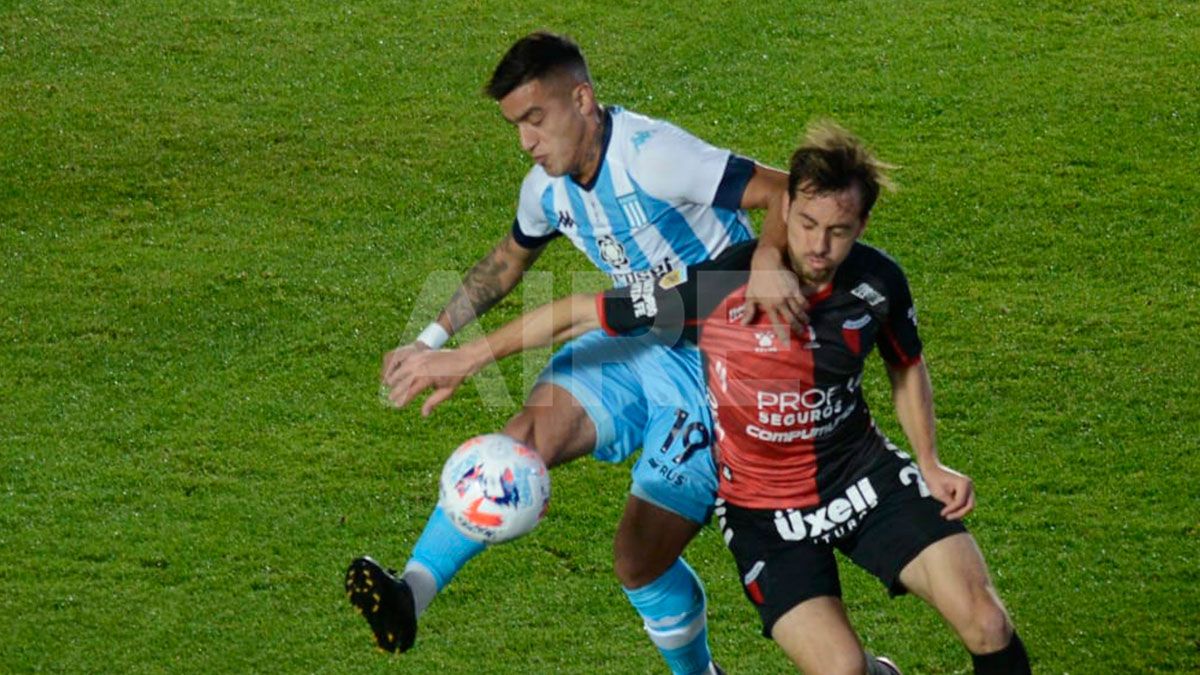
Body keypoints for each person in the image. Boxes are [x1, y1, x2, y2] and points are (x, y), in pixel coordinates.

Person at [395, 122, 1031, 674]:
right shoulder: (717, 288)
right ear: (788, 211)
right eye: (805, 223)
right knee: (840, 669)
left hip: (860, 476)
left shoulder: (878, 283)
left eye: (838, 231)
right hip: (762, 512)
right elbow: (578, 313)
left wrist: (930, 460)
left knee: (985, 622)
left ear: (861, 225)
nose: (818, 245)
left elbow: (906, 365)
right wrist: (468, 355)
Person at [347, 31, 792, 675]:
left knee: (638, 561)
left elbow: (783, 190)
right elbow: (507, 263)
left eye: (535, 119)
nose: (527, 141)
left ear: (581, 100)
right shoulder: (547, 189)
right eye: (516, 127)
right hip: (643, 340)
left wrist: (768, 268)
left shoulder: (653, 158)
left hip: (725, 368)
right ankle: (410, 594)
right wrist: (429, 339)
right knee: (521, 435)